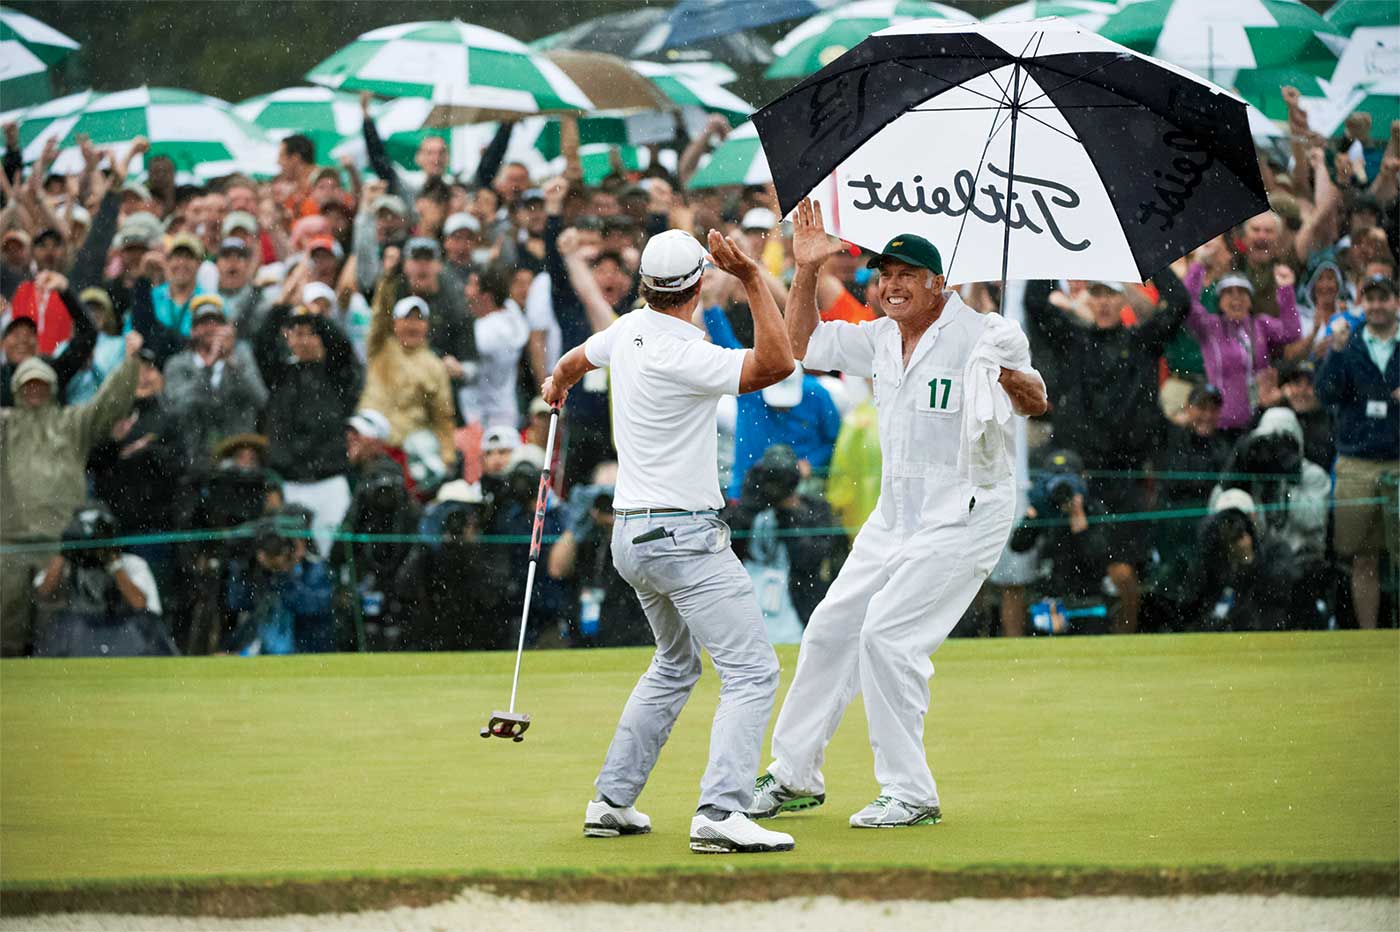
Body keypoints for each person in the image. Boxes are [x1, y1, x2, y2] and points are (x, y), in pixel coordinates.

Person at [750, 200, 1046, 829]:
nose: (891, 285)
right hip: (898, 510)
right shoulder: (880, 336)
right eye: (884, 274)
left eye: (907, 273)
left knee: (887, 636)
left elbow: (1036, 400)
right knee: (831, 627)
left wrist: (1004, 372)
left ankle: (911, 793)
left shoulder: (984, 331)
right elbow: (800, 345)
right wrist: (805, 270)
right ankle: (795, 774)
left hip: (968, 506)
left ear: (940, 281)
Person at [542, 228, 796, 854]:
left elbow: (573, 361)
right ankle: (720, 811)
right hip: (683, 536)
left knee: (676, 663)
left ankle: (611, 802)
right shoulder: (683, 352)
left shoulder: (627, 331)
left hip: (632, 536)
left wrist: (559, 382)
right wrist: (755, 277)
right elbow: (778, 363)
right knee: (753, 671)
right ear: (695, 287)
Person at [1, 332, 143, 655]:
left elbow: (108, 405)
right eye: (28, 384)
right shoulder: (5, 424)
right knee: (5, 633)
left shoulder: (71, 424)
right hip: (8, 546)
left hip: (59, 546)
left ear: (52, 387)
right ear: (16, 388)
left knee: (55, 632)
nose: (34, 389)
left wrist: (130, 363)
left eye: (40, 383)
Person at [1315, 276, 1399, 629]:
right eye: (1371, 299)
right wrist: (1334, 351)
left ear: (1395, 301)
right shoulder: (1347, 344)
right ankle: (1368, 636)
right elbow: (1326, 394)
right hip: (1356, 461)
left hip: (1398, 460)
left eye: (1384, 298)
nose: (1377, 305)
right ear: (1364, 302)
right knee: (1363, 557)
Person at [254, 304, 360, 556]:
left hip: (330, 482)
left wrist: (315, 317)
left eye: (310, 333)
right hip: (291, 483)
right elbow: (261, 344)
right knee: (291, 557)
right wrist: (281, 308)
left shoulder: (337, 376)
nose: (304, 340)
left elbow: (342, 346)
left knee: (333, 555)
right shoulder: (279, 375)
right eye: (296, 333)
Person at [1183, 250, 1301, 437]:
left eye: (1242, 292)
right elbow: (1186, 304)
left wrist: (1286, 290)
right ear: (1220, 301)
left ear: (1250, 300)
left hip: (1257, 420)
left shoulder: (1260, 325)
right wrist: (1198, 267)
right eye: (1229, 293)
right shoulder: (1210, 327)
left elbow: (1292, 333)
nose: (1236, 298)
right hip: (1220, 424)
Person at [161, 295, 268, 467]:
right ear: (193, 331)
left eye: (216, 322)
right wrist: (208, 367)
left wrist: (232, 363)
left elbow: (261, 399)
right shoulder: (177, 364)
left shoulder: (242, 358)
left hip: (238, 456)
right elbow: (178, 408)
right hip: (195, 458)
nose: (211, 328)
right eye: (203, 323)